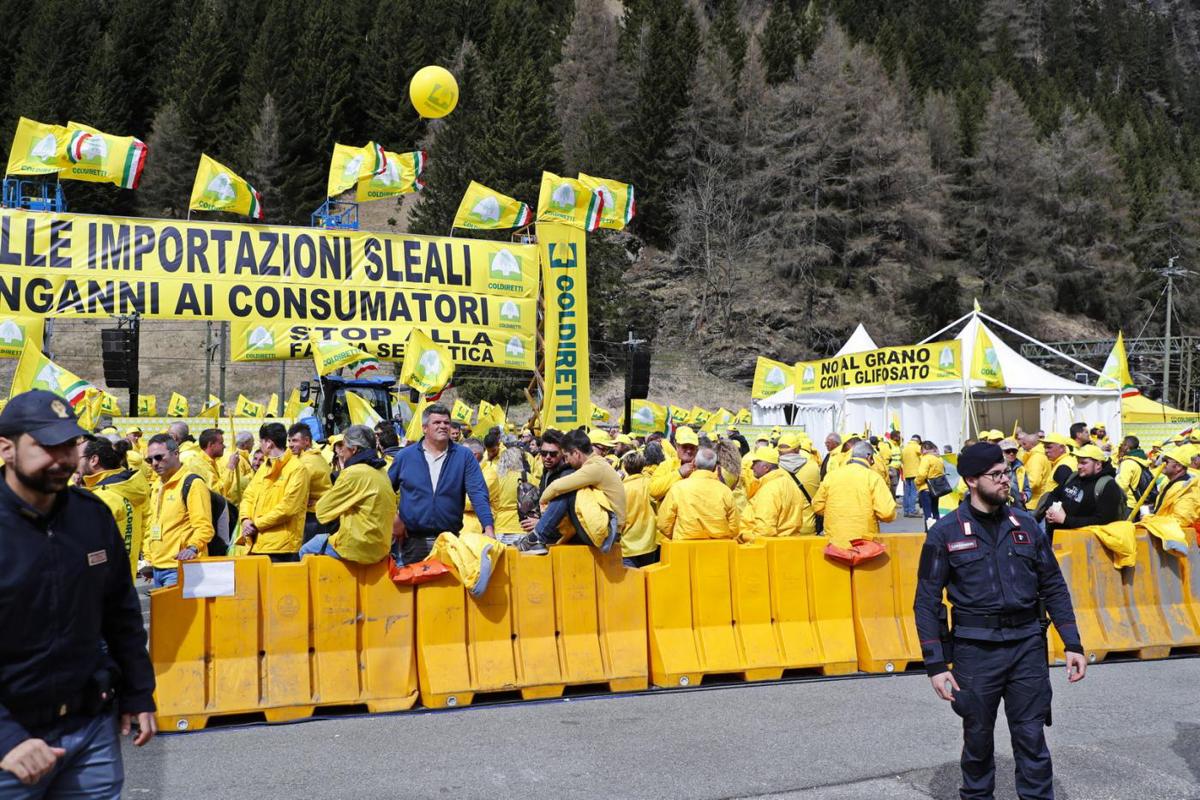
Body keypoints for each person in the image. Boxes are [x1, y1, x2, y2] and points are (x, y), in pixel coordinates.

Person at [0, 390, 157, 794]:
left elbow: (121, 614)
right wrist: (6, 737)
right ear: (7, 449)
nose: (62, 458)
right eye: (47, 446)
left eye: (70, 444)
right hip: (12, 744)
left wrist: (139, 693)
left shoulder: (91, 515)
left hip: (91, 730)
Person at [914, 442, 1086, 800]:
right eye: (996, 475)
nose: (1005, 480)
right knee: (977, 741)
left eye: (1006, 472)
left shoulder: (1025, 524)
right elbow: (927, 602)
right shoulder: (944, 533)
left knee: (1032, 739)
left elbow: (1052, 584)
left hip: (1027, 647)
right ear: (971, 480)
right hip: (975, 652)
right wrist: (936, 664)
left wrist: (1072, 643)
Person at [388, 403, 494, 564]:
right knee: (413, 588)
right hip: (412, 542)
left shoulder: (464, 457)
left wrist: (488, 527)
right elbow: (385, 491)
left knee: (446, 589)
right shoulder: (405, 456)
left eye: (446, 422)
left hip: (449, 541)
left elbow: (478, 493)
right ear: (425, 428)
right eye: (437, 423)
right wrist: (394, 518)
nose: (443, 426)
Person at [517, 428, 625, 553]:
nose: (566, 461)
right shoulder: (598, 464)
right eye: (543, 453)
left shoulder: (595, 468)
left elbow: (556, 487)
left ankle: (537, 537)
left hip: (608, 533)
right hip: (607, 529)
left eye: (567, 456)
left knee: (566, 491)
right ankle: (537, 536)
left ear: (576, 453)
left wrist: (542, 501)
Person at [299, 425, 396, 564]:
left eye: (343, 447)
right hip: (381, 548)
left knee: (306, 550)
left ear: (354, 449)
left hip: (357, 547)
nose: (341, 452)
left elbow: (322, 512)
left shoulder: (353, 473)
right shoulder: (381, 472)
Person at [145, 434, 215, 588]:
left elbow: (204, 527)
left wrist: (192, 548)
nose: (154, 464)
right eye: (149, 460)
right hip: (157, 567)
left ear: (176, 454)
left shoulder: (193, 483)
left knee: (174, 612)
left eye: (158, 457)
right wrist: (149, 559)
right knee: (163, 613)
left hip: (180, 567)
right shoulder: (157, 484)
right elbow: (152, 524)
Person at [78, 437, 150, 580]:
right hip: (122, 584)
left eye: (77, 457)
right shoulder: (129, 488)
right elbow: (146, 524)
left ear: (93, 460)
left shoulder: (102, 498)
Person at [239, 422, 309, 563]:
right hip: (257, 544)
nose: (260, 446)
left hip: (281, 548)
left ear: (269, 443)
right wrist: (245, 519)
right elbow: (248, 495)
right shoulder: (265, 466)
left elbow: (288, 508)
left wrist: (257, 524)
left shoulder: (297, 469)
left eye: (261, 442)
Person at [811, 440, 896, 549]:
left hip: (835, 542)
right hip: (864, 543)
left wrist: (836, 512)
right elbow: (887, 513)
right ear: (869, 457)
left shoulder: (831, 476)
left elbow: (817, 505)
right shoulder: (873, 478)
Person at [655, 446, 739, 540]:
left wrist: (677, 536)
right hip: (717, 549)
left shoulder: (678, 488)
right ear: (715, 467)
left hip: (683, 547)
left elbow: (663, 523)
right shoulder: (726, 491)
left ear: (694, 463)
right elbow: (734, 527)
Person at [1043, 445, 1124, 536]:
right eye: (1078, 462)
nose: (1079, 466)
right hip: (1057, 539)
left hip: (1084, 544)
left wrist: (1065, 520)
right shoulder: (1073, 477)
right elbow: (1053, 495)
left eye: (1084, 463)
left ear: (1098, 464)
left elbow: (1103, 521)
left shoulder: (1108, 485)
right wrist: (1052, 510)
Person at [740, 446, 806, 540]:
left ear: (766, 467)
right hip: (788, 544)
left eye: (755, 463)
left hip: (766, 549)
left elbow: (764, 532)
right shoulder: (791, 485)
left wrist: (743, 537)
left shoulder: (769, 490)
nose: (751, 467)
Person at [287, 422, 332, 544]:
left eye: (295, 441)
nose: (290, 445)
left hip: (313, 517)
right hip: (319, 513)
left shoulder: (307, 463)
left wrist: (304, 500)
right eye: (289, 441)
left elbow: (295, 492)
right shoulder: (315, 457)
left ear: (307, 441)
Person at [619, 450, 659, 567]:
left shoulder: (621, 488)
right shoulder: (650, 483)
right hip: (649, 542)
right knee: (648, 581)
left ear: (625, 467)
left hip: (627, 544)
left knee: (631, 582)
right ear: (642, 466)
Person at [461, 438, 501, 536]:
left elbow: (471, 502)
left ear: (474, 455)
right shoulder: (463, 469)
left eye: (462, 453)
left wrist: (449, 499)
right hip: (459, 526)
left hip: (476, 530)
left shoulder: (490, 474)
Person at [649, 426, 698, 501]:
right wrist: (679, 473)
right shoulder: (666, 465)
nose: (689, 451)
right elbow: (653, 491)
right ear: (677, 446)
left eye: (692, 448)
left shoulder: (702, 466)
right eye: (684, 447)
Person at [1116, 436, 1152, 515]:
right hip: (1137, 503)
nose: (1121, 447)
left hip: (1128, 504)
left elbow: (1122, 486)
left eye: (1122, 444)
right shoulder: (1141, 459)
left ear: (1126, 446)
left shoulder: (1128, 463)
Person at [915, 440, 946, 523]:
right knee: (935, 511)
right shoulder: (938, 459)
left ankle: (929, 532)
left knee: (928, 514)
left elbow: (922, 474)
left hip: (926, 489)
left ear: (923, 449)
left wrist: (917, 482)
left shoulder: (926, 458)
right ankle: (938, 532)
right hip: (936, 489)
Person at [1020, 433, 1051, 511]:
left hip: (1033, 503)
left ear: (1032, 445)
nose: (1022, 446)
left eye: (1024, 444)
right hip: (1036, 501)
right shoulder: (1039, 455)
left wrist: (1018, 490)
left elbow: (1034, 481)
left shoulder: (1036, 458)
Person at [998, 438, 1030, 508]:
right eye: (1007, 451)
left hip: (1017, 508)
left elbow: (1027, 490)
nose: (1011, 453)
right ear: (1000, 452)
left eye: (1014, 451)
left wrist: (1025, 497)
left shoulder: (1020, 468)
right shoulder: (994, 469)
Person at [901, 434, 922, 518]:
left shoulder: (905, 448)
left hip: (907, 473)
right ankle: (912, 511)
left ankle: (906, 510)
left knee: (907, 493)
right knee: (913, 492)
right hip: (915, 472)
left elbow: (902, 459)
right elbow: (923, 456)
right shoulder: (917, 447)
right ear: (918, 441)